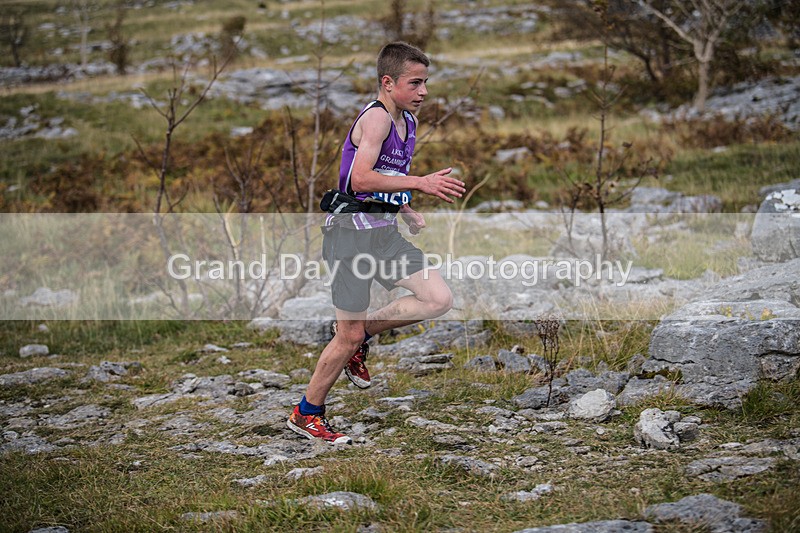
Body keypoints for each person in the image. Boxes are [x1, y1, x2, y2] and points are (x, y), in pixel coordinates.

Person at [287, 41, 466, 444]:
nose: (423, 92)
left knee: (437, 298)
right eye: (415, 83)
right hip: (349, 237)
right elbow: (359, 180)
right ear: (388, 82)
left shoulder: (409, 123)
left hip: (383, 235)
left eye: (426, 83)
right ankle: (306, 412)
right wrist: (420, 183)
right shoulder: (377, 120)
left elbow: (383, 178)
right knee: (344, 335)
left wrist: (404, 207)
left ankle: (361, 336)